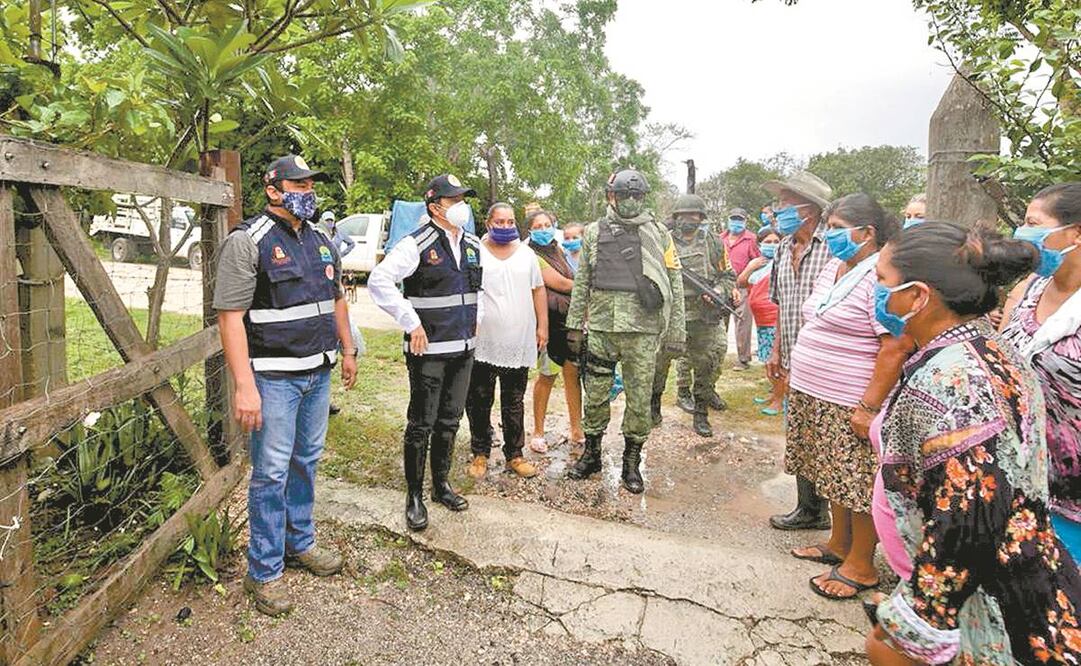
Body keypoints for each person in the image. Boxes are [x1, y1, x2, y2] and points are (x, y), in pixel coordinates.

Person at [866, 221, 1081, 665]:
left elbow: (966, 523)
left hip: (992, 608)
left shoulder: (952, 385)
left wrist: (913, 630)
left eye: (883, 282)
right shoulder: (988, 347)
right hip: (1020, 576)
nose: (878, 294)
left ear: (918, 296)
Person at [213, 155, 357, 617]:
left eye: (311, 183)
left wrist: (348, 349)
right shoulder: (247, 241)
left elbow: (338, 300)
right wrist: (244, 385)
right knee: (271, 473)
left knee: (306, 462)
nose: (308, 189)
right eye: (298, 182)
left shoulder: (320, 239)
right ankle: (265, 571)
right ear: (273, 189)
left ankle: (300, 543)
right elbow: (230, 318)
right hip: (272, 379)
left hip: (318, 373)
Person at [784, 194, 911, 600]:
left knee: (857, 482)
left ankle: (861, 563)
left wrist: (870, 406)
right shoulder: (837, 267)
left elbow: (894, 345)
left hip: (850, 398)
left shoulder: (879, 276)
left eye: (839, 229)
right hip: (816, 393)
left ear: (867, 233)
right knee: (832, 475)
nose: (830, 235)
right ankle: (838, 544)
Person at [368, 174, 481, 532]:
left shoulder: (474, 244)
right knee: (422, 424)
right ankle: (414, 495)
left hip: (463, 351)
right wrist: (410, 321)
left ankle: (441, 485)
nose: (463, 206)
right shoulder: (416, 243)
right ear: (435, 206)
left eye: (465, 199)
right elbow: (379, 281)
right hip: (428, 350)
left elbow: (480, 294)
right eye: (455, 200)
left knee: (450, 420)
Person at [565, 168, 685, 493]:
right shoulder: (593, 232)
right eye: (624, 195)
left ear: (644, 198)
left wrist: (676, 332)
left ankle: (631, 463)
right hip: (602, 329)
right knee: (596, 396)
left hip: (642, 333)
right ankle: (591, 455)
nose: (631, 201)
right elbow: (582, 282)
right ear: (611, 196)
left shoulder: (660, 233)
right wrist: (574, 326)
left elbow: (674, 280)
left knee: (638, 399)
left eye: (637, 195)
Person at [1000, 182, 1081, 562]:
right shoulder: (1032, 286)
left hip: (1073, 495)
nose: (1024, 235)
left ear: (1075, 233)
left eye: (1034, 224)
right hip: (1022, 475)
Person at [762, 171, 834, 531]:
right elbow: (780, 303)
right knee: (800, 432)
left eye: (787, 203)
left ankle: (830, 510)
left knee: (827, 436)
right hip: (793, 355)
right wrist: (776, 350)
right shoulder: (781, 248)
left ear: (810, 209)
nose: (779, 211)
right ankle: (810, 508)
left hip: (827, 362)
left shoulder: (832, 248)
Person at [465, 204, 546, 480]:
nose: (505, 226)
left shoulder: (527, 254)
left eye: (510, 221)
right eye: (499, 221)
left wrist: (542, 327)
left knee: (513, 401)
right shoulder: (474, 251)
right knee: (479, 399)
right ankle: (480, 452)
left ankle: (515, 454)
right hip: (483, 340)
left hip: (518, 339)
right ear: (487, 223)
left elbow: (538, 290)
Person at [652, 193, 734, 438]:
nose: (689, 219)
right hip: (670, 316)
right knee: (659, 365)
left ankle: (700, 413)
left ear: (701, 217)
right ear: (675, 217)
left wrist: (718, 291)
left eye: (694, 215)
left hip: (704, 317)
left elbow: (728, 275)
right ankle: (653, 408)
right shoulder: (662, 242)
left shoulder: (713, 242)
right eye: (683, 215)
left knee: (707, 364)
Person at [529, 212, 585, 453]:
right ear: (529, 230)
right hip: (548, 324)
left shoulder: (558, 250)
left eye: (547, 225)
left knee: (573, 375)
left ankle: (576, 428)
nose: (544, 229)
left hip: (569, 322)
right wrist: (586, 286)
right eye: (538, 226)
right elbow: (560, 283)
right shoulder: (532, 255)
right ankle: (538, 431)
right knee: (547, 376)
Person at [738, 227, 783, 416]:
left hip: (775, 320)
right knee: (766, 358)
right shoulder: (759, 265)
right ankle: (774, 394)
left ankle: (780, 400)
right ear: (760, 244)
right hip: (761, 321)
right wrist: (751, 267)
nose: (772, 245)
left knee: (776, 361)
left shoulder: (782, 264)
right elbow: (741, 282)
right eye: (768, 242)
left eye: (775, 242)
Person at [317, 210, 356, 417]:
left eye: (333, 220)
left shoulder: (334, 240)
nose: (331, 223)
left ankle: (324, 401)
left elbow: (337, 298)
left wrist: (349, 352)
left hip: (324, 338)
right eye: (328, 220)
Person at [721, 207, 761, 371]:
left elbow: (759, 261)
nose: (736, 223)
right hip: (723, 285)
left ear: (745, 221)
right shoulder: (720, 238)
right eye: (733, 219)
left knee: (742, 323)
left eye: (739, 219)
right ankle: (717, 355)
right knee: (719, 321)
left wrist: (747, 275)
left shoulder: (751, 239)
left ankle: (743, 359)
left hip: (743, 286)